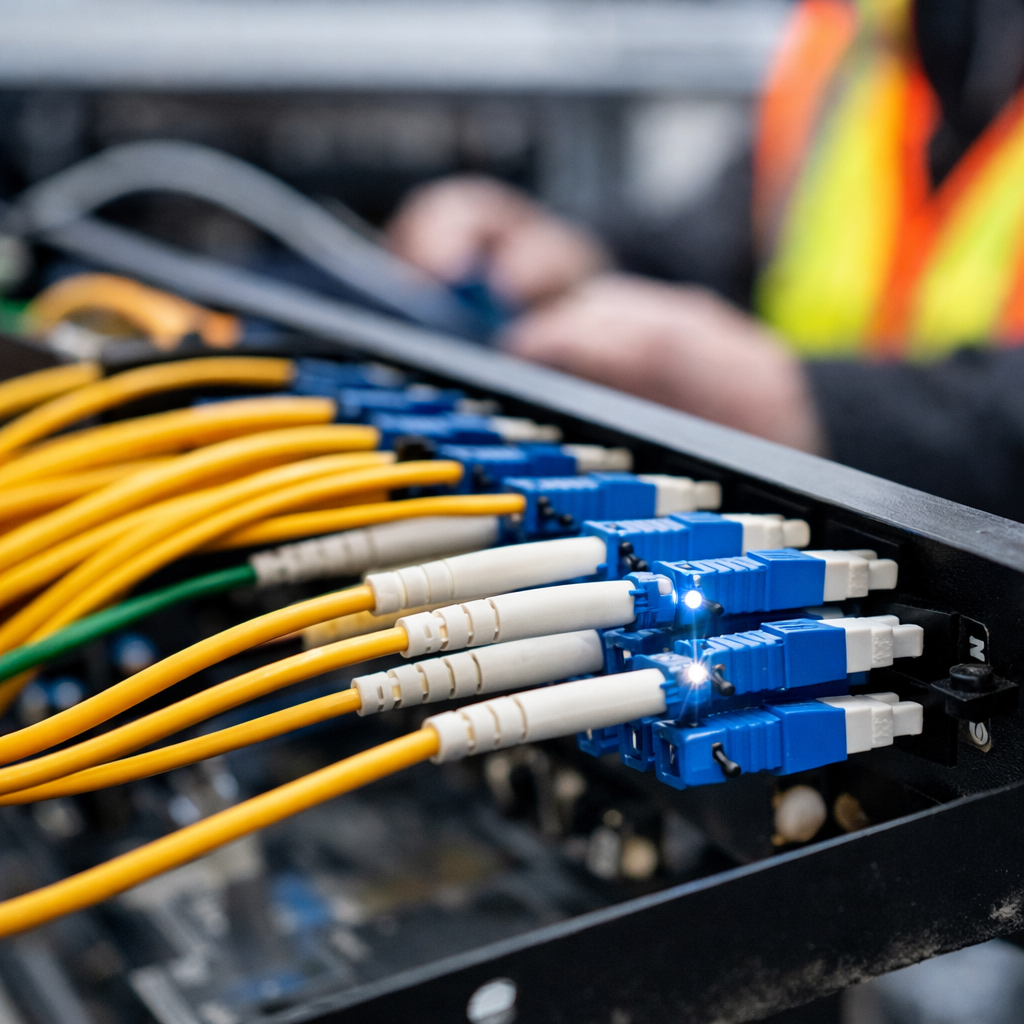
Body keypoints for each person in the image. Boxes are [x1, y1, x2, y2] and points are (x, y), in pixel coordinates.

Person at [386, 0, 1024, 521]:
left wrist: (809, 400)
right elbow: (718, 232)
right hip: (843, 524)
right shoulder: (858, 29)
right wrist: (562, 246)